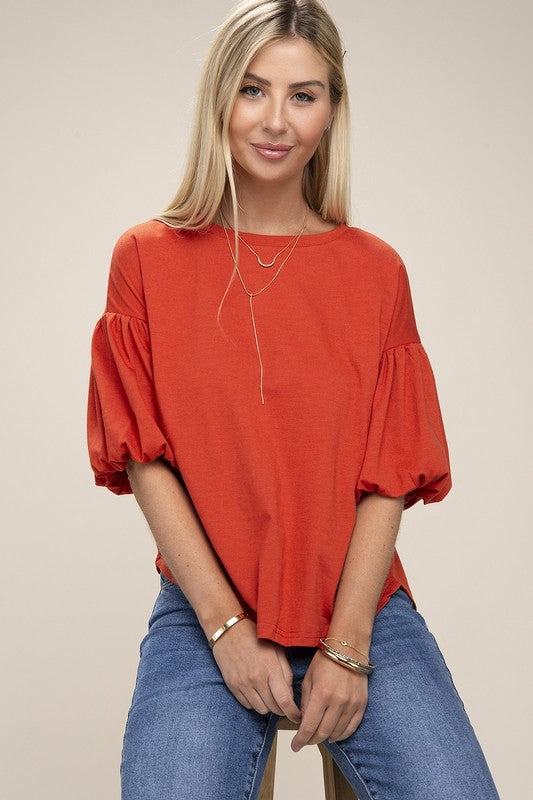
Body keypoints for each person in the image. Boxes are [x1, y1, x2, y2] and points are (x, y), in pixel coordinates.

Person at [87, 1, 500, 798]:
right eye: (252, 90)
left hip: (359, 607)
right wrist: (226, 629)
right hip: (206, 610)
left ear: (331, 110)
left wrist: (348, 645)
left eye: (302, 95)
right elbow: (143, 456)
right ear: (219, 99)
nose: (275, 120)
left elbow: (389, 473)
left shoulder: (375, 271)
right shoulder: (145, 258)